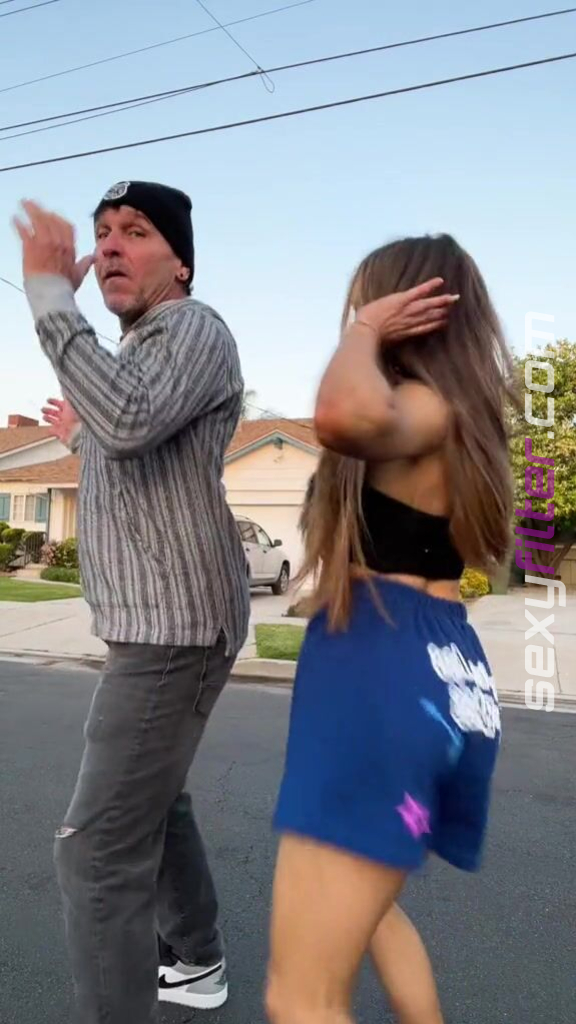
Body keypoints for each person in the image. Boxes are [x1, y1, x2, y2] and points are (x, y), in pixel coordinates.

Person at [14, 181, 250, 1023]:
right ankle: (195, 957)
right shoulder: (144, 350)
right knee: (155, 801)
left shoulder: (192, 327)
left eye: (137, 232)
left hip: (172, 631)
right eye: (103, 231)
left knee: (96, 853)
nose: (110, 244)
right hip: (154, 625)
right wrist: (80, 433)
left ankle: (183, 962)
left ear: (180, 262)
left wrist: (51, 295)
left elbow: (129, 421)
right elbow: (132, 448)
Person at [266, 234, 517, 1024]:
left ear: (412, 310)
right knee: (374, 914)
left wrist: (364, 331)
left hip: (382, 681)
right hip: (436, 678)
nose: (358, 315)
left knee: (301, 997)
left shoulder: (424, 406)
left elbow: (340, 414)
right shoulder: (456, 420)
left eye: (370, 300)